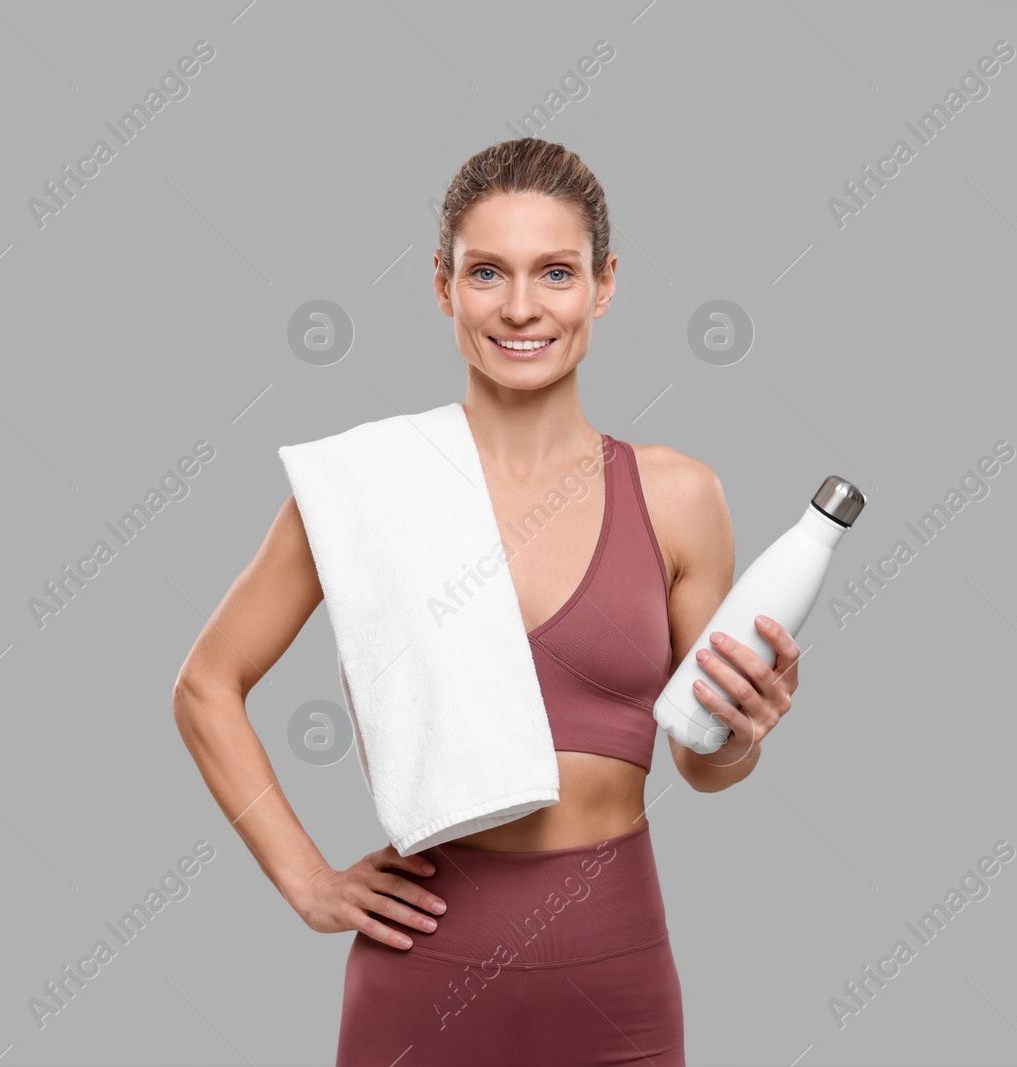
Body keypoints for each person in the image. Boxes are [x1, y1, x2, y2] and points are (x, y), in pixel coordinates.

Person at [172, 138, 801, 1067]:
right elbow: (205, 684)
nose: (519, 307)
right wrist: (307, 881)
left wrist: (743, 730)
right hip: (424, 968)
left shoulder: (678, 496)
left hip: (617, 964)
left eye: (554, 272)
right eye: (485, 273)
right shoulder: (365, 488)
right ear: (441, 286)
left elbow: (699, 764)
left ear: (604, 282)